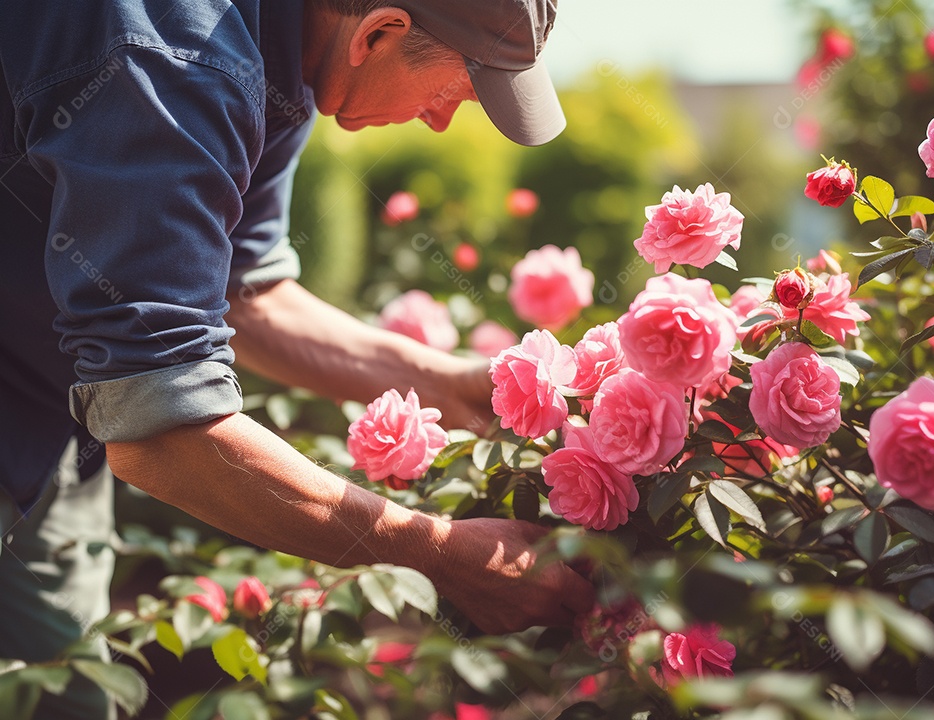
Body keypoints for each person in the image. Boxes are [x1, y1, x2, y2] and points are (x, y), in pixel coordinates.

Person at [0, 1, 594, 716]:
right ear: (379, 32)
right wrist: (437, 554)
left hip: (37, 415)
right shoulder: (180, 63)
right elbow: (161, 428)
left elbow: (247, 294)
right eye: (455, 90)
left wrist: (456, 384)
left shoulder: (290, 51)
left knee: (64, 698)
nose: (441, 122)